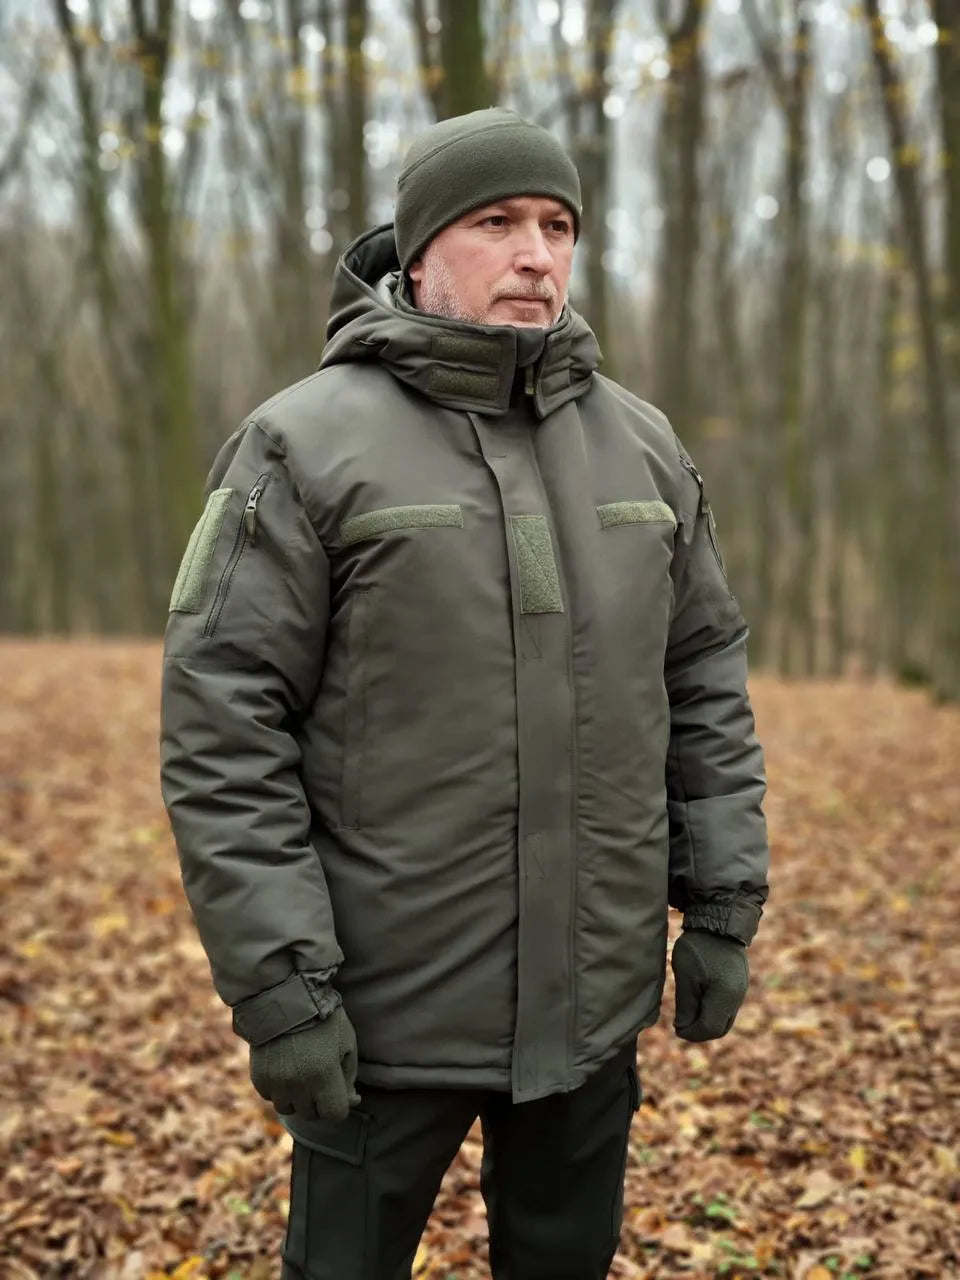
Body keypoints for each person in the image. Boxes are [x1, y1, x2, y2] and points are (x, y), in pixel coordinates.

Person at [160, 108, 769, 1280]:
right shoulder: (300, 446)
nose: (535, 254)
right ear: (420, 246)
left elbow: (703, 677)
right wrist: (281, 990)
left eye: (557, 225)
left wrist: (724, 900)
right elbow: (223, 725)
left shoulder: (642, 446)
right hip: (381, 1015)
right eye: (496, 223)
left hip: (590, 1005)